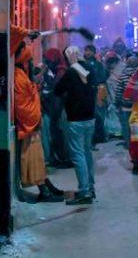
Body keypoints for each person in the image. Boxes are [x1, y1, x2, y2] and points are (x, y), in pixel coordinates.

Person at [13, 31, 65, 203]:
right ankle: (43, 189)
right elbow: (22, 104)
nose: (30, 63)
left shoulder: (22, 75)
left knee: (40, 158)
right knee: (34, 159)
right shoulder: (18, 77)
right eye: (28, 60)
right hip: (29, 126)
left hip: (33, 123)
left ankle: (46, 184)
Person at [54, 46, 98, 205]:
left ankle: (84, 191)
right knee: (86, 152)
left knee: (78, 154)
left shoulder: (71, 72)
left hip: (76, 119)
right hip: (90, 118)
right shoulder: (91, 69)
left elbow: (57, 90)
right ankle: (90, 187)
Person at [82, 44, 110, 144]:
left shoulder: (98, 65)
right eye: (86, 50)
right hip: (87, 93)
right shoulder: (82, 63)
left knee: (99, 115)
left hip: (98, 91)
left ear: (94, 53)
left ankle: (100, 136)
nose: (87, 53)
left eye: (89, 51)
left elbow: (102, 78)